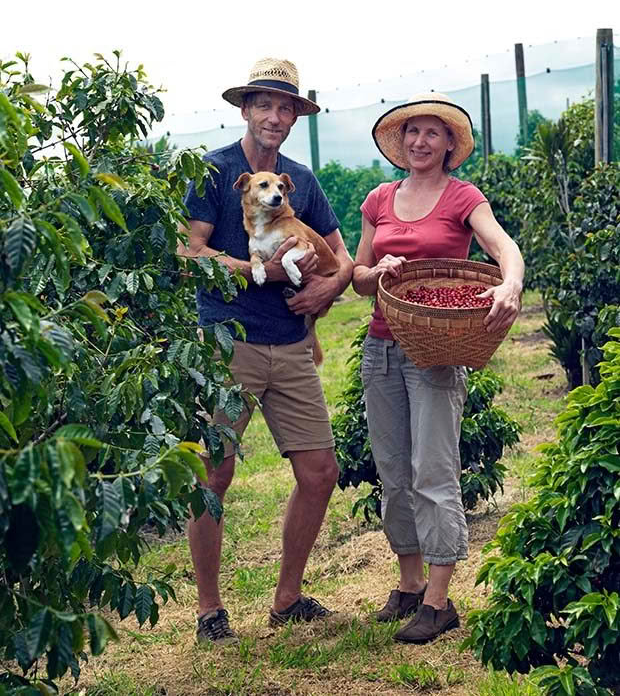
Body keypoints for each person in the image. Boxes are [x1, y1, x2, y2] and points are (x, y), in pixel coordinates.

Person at [179, 58, 353, 644]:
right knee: (215, 471)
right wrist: (260, 272)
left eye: (285, 108)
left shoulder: (301, 178)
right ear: (246, 110)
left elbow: (340, 253)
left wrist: (329, 286)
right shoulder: (216, 171)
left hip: (292, 345)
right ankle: (209, 610)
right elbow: (189, 253)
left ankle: (287, 598)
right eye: (265, 106)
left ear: (294, 117)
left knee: (320, 470)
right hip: (230, 344)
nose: (275, 117)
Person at [352, 92, 523, 644]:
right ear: (399, 144)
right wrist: (379, 268)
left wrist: (512, 284)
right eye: (411, 133)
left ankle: (439, 599)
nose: (420, 142)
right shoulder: (379, 198)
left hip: (437, 353)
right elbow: (357, 275)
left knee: (433, 471)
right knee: (393, 472)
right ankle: (407, 583)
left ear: (450, 143)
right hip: (381, 347)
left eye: (431, 133)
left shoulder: (462, 196)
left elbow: (503, 247)